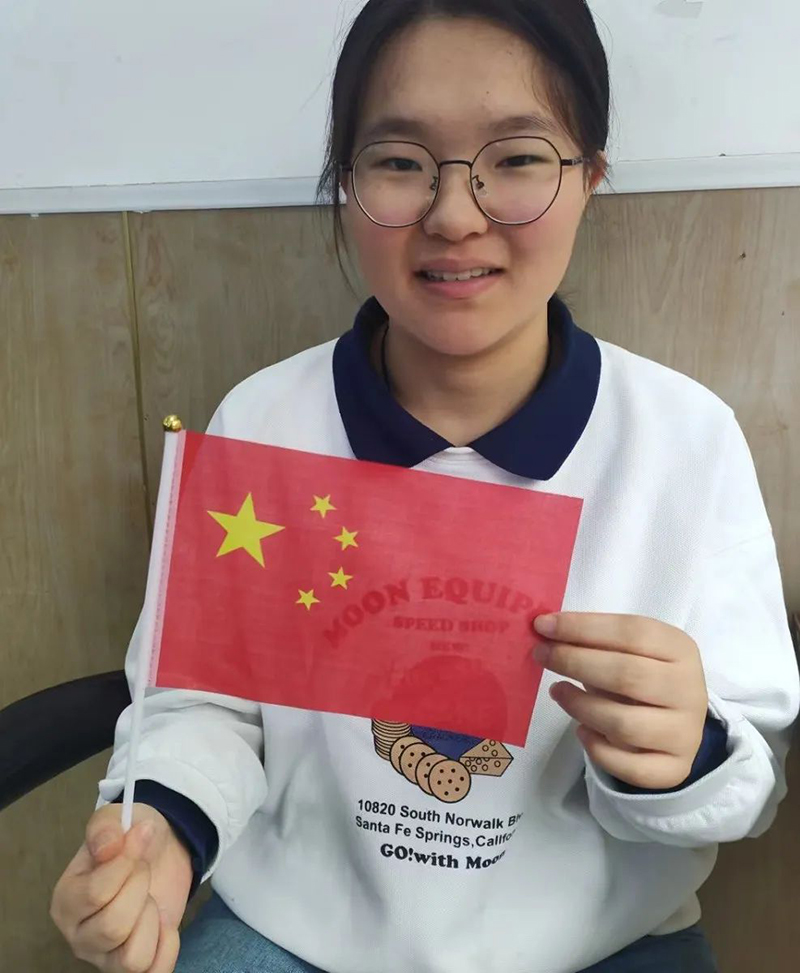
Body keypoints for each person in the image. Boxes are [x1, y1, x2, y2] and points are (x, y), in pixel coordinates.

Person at [50, 2, 799, 971]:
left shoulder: (682, 440)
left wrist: (683, 753)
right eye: (400, 162)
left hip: (600, 942)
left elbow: (748, 776)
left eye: (517, 157)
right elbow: (200, 707)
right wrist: (159, 834)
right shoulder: (265, 421)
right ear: (345, 183)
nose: (453, 214)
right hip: (295, 931)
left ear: (589, 177)